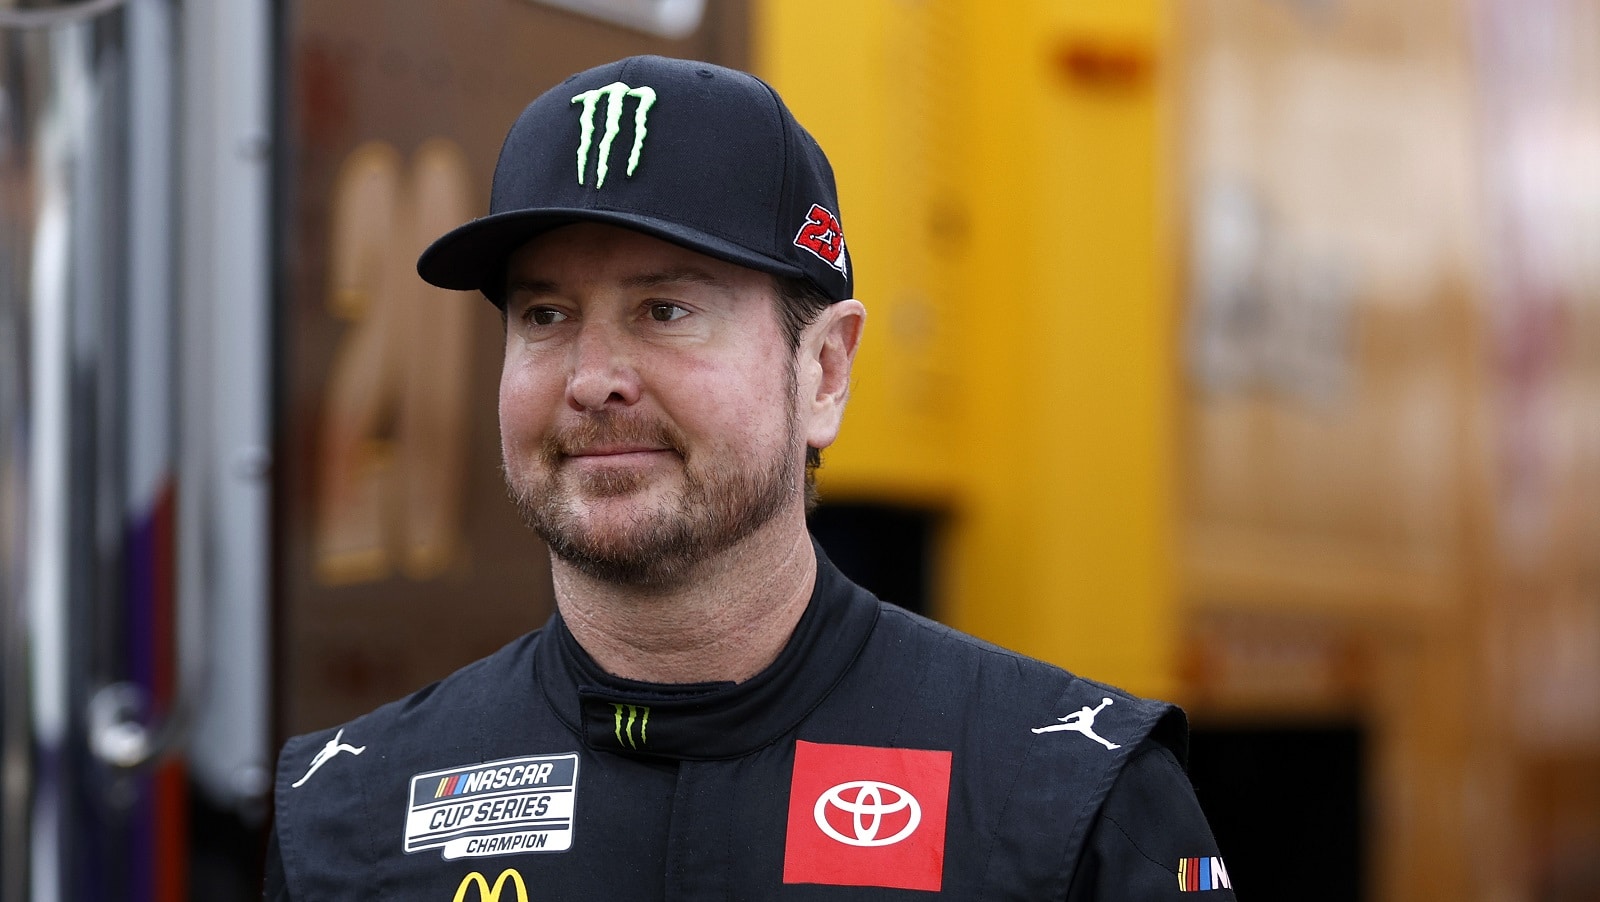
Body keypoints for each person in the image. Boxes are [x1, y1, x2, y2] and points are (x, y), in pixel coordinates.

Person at [266, 55, 1235, 900]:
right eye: (546, 315)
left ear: (823, 372)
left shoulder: (1068, 797)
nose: (593, 376)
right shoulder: (351, 813)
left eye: (666, 309)